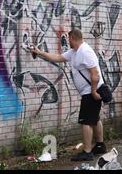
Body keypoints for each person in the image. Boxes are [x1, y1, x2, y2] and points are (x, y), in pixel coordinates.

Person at [30, 28, 107, 161]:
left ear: (72, 38)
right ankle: (100, 145)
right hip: (90, 91)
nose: (67, 41)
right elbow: (58, 57)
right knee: (95, 119)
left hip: (91, 91)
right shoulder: (74, 52)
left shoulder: (85, 51)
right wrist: (39, 52)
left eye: (68, 38)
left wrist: (93, 91)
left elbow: (95, 75)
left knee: (86, 122)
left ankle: (87, 151)